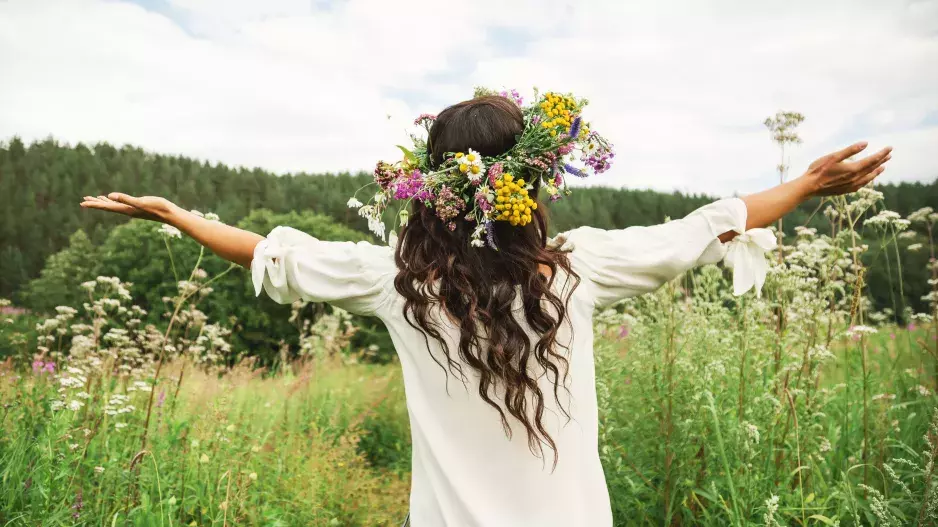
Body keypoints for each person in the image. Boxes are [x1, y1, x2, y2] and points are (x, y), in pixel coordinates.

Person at [81, 92, 891, 526]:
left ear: (432, 188)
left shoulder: (395, 284)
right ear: (530, 183)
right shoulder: (582, 271)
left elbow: (269, 251)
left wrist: (178, 215)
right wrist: (807, 185)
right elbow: (709, 224)